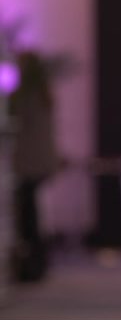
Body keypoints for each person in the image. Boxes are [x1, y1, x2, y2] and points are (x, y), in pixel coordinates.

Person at [10, 50, 61, 281]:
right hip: (40, 162)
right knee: (32, 213)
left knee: (27, 214)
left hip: (29, 164)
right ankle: (36, 262)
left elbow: (17, 126)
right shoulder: (44, 94)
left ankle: (32, 263)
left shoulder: (27, 97)